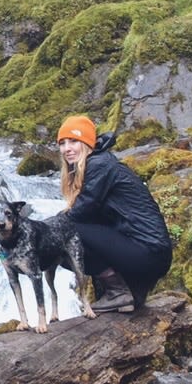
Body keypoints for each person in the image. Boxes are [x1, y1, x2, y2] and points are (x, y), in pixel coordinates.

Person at [58, 114, 172, 313]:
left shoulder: (99, 165)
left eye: (74, 141)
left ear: (87, 143)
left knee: (61, 231)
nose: (67, 148)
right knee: (63, 236)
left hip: (148, 252)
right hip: (146, 253)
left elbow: (79, 213)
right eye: (62, 143)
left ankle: (118, 291)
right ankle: (127, 294)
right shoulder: (100, 163)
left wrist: (39, 231)